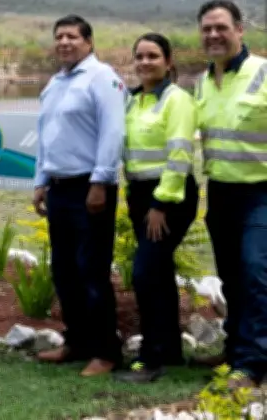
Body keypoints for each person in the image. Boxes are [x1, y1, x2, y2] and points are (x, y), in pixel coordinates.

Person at [32, 14, 127, 377]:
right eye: (59, 36)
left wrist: (101, 181)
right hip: (59, 188)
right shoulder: (55, 83)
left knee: (92, 270)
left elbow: (112, 132)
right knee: (65, 270)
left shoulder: (103, 78)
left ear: (88, 41)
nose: (64, 42)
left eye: (72, 36)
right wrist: (41, 181)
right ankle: (77, 342)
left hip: (92, 187)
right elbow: (47, 136)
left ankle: (106, 351)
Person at [113, 33, 199, 384]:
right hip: (139, 195)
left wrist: (161, 203)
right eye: (140, 56)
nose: (145, 62)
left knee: (146, 272)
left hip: (169, 198)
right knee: (159, 272)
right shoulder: (133, 101)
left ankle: (149, 360)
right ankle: (172, 351)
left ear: (168, 61)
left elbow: (180, 153)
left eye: (153, 56)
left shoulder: (177, 100)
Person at [192, 0, 267, 389]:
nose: (214, 35)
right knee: (232, 277)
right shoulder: (202, 82)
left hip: (262, 192)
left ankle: (251, 366)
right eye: (207, 28)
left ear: (240, 30)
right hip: (221, 192)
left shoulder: (263, 73)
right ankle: (237, 348)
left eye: (221, 27)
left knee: (256, 271)